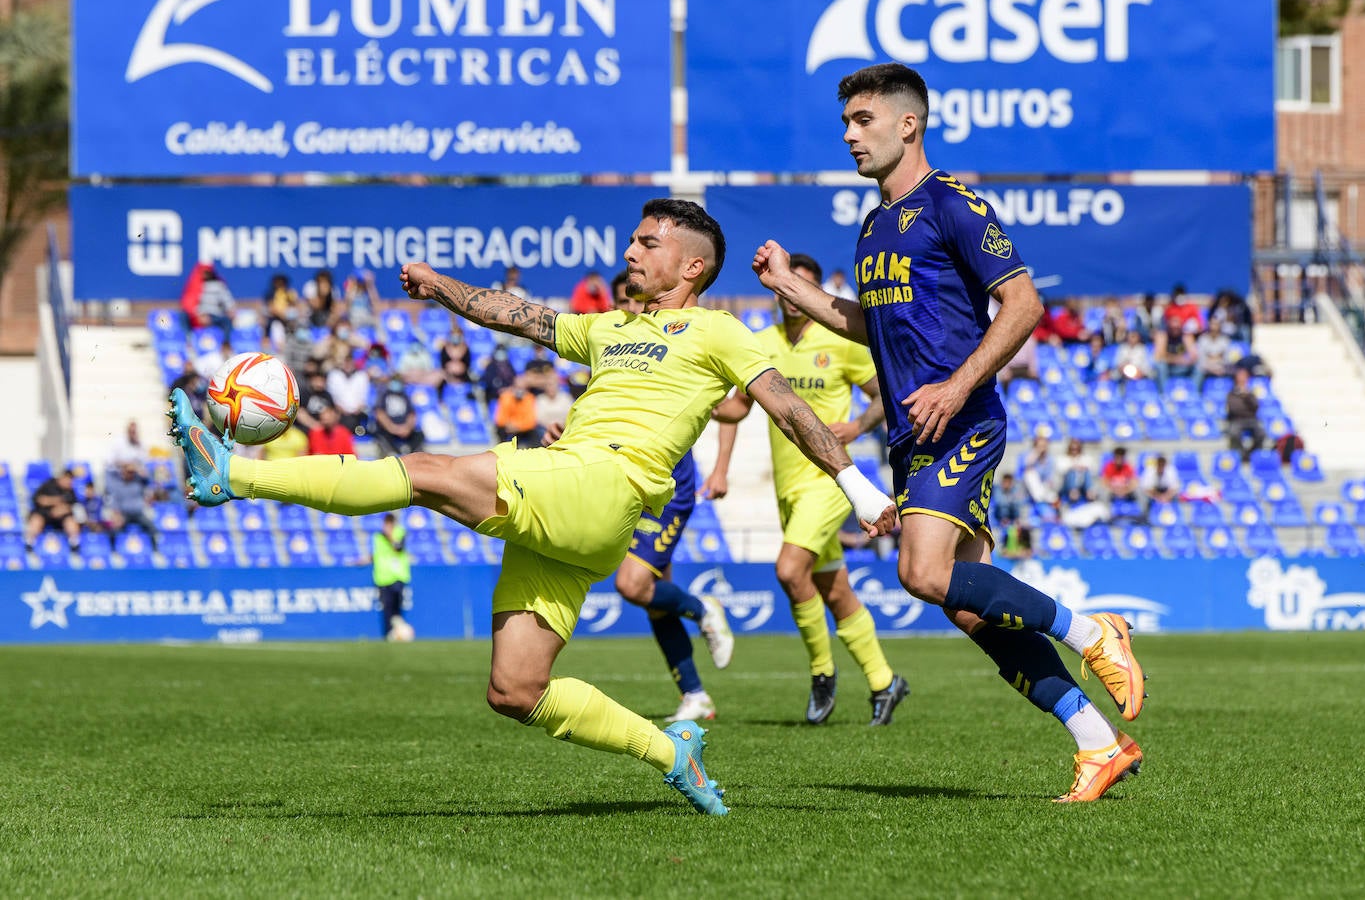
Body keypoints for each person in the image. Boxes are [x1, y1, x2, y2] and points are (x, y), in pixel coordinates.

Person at [166, 197, 898, 817]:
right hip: (577, 505)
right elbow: (515, 314)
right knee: (515, 689)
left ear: (692, 266)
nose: (631, 251)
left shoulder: (720, 332)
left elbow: (787, 410)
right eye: (635, 239)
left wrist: (859, 487)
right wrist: (437, 284)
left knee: (424, 471)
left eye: (649, 242)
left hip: (603, 485)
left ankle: (232, 476)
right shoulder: (611, 328)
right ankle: (670, 750)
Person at [753, 62, 1145, 802]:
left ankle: (1093, 631)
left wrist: (959, 383)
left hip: (961, 420)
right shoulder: (874, 226)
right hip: (910, 436)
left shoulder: (953, 203)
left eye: (862, 121)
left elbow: (1024, 304)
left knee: (921, 575)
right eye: (845, 124)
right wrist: (792, 286)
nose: (848, 136)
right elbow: (871, 325)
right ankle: (1100, 744)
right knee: (968, 605)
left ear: (909, 124)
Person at [709, 252, 908, 725]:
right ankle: (884, 681)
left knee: (789, 569)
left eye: (804, 287)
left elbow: (884, 391)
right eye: (786, 285)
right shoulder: (760, 344)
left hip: (827, 482)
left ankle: (822, 675)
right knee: (833, 589)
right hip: (788, 486)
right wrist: (713, 440)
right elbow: (738, 408)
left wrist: (858, 426)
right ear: (776, 290)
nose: (793, 296)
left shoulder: (838, 341)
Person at [542, 274, 734, 724]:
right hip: (622, 479)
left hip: (667, 485)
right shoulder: (613, 344)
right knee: (649, 593)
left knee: (632, 585)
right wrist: (566, 432)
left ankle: (705, 608)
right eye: (625, 302)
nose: (633, 309)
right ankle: (695, 694)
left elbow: (732, 406)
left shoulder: (681, 341)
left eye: (639, 300)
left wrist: (723, 464)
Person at [371, 513, 415, 642]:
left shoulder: (400, 533)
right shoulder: (378, 537)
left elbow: (398, 548)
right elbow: (377, 554)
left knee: (397, 607)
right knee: (386, 608)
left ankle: (398, 633)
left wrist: (390, 536)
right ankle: (389, 635)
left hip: (397, 576)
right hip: (382, 577)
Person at [25, 469, 81, 554]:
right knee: (36, 520)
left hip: (61, 518)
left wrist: (62, 509)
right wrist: (56, 501)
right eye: (68, 480)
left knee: (71, 522)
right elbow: (38, 499)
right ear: (62, 477)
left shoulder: (70, 491)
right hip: (44, 514)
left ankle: (74, 544)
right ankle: (29, 544)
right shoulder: (48, 485)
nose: (70, 483)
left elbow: (73, 505)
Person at [372, 376, 425, 456]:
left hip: (405, 428)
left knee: (419, 434)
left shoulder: (404, 396)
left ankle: (412, 454)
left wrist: (407, 428)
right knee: (381, 435)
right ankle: (393, 454)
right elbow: (379, 413)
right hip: (389, 428)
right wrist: (392, 428)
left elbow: (412, 414)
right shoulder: (383, 395)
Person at [1225, 367, 1265, 460]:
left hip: (1252, 419)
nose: (1242, 378)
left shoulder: (1250, 393)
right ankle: (1242, 454)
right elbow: (1234, 409)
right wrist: (1247, 409)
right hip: (1237, 419)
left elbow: (1256, 407)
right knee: (1233, 433)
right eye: (1240, 375)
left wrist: (1247, 396)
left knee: (1262, 433)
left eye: (1244, 376)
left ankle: (1252, 454)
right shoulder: (1231, 393)